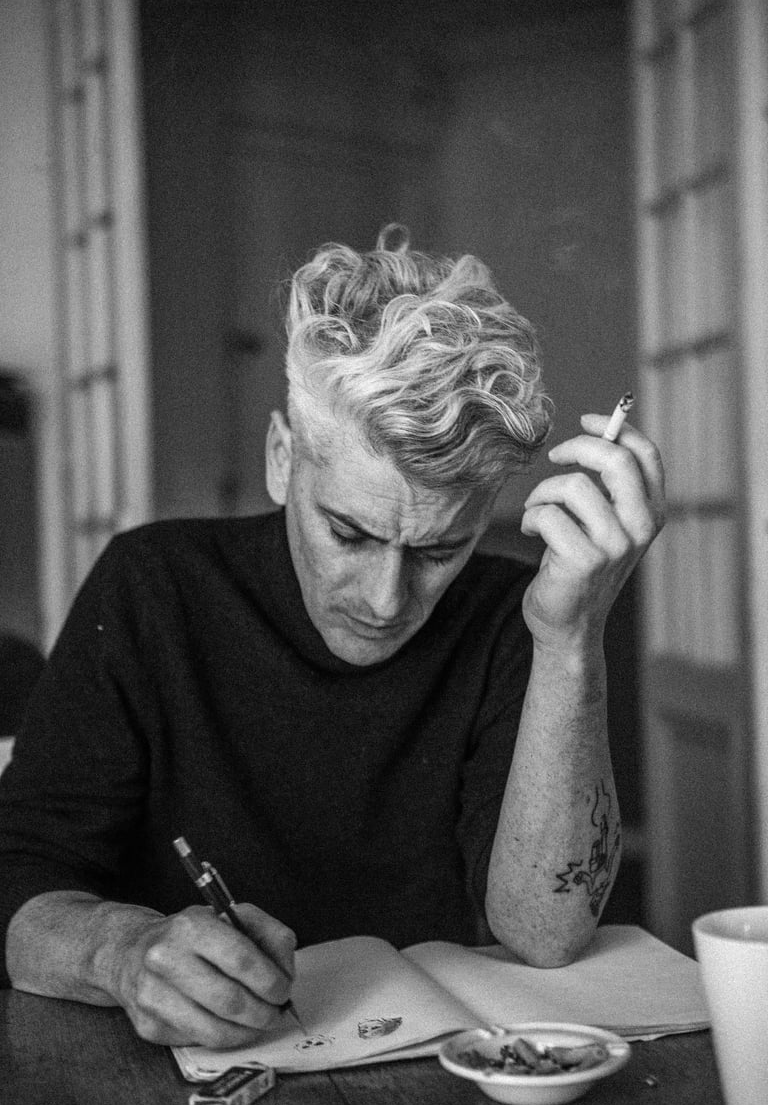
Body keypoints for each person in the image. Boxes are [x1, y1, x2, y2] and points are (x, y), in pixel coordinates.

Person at [0, 226, 665, 1050]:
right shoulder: (153, 586)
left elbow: (544, 933)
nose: (386, 599)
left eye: (438, 551)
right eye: (349, 533)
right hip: (184, 1069)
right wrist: (123, 952)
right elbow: (17, 877)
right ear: (283, 459)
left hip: (427, 1068)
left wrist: (571, 639)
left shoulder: (512, 616)